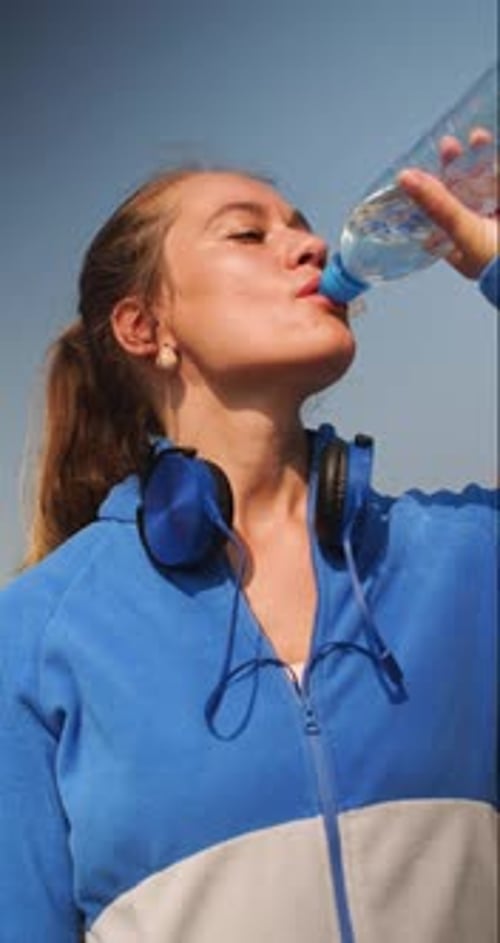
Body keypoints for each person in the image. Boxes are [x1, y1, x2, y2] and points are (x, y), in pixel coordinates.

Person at [0, 149, 497, 943]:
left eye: (302, 228)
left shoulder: (469, 558)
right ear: (144, 327)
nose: (312, 247)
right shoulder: (31, 638)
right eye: (247, 234)